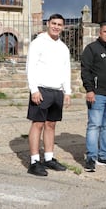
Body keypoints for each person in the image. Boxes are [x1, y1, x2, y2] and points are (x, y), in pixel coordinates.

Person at [26, 13, 71, 176]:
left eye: (59, 24)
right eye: (54, 23)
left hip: (57, 91)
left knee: (51, 125)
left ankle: (49, 158)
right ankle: (34, 161)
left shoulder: (63, 47)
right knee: (37, 124)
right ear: (48, 24)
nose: (56, 27)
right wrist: (34, 89)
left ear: (63, 27)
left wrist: (67, 92)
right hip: (41, 90)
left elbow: (66, 70)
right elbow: (30, 67)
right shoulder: (38, 43)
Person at [81, 21, 106, 172]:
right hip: (97, 95)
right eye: (105, 32)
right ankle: (91, 157)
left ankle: (103, 156)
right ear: (100, 32)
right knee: (94, 126)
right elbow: (86, 71)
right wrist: (89, 90)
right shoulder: (91, 49)